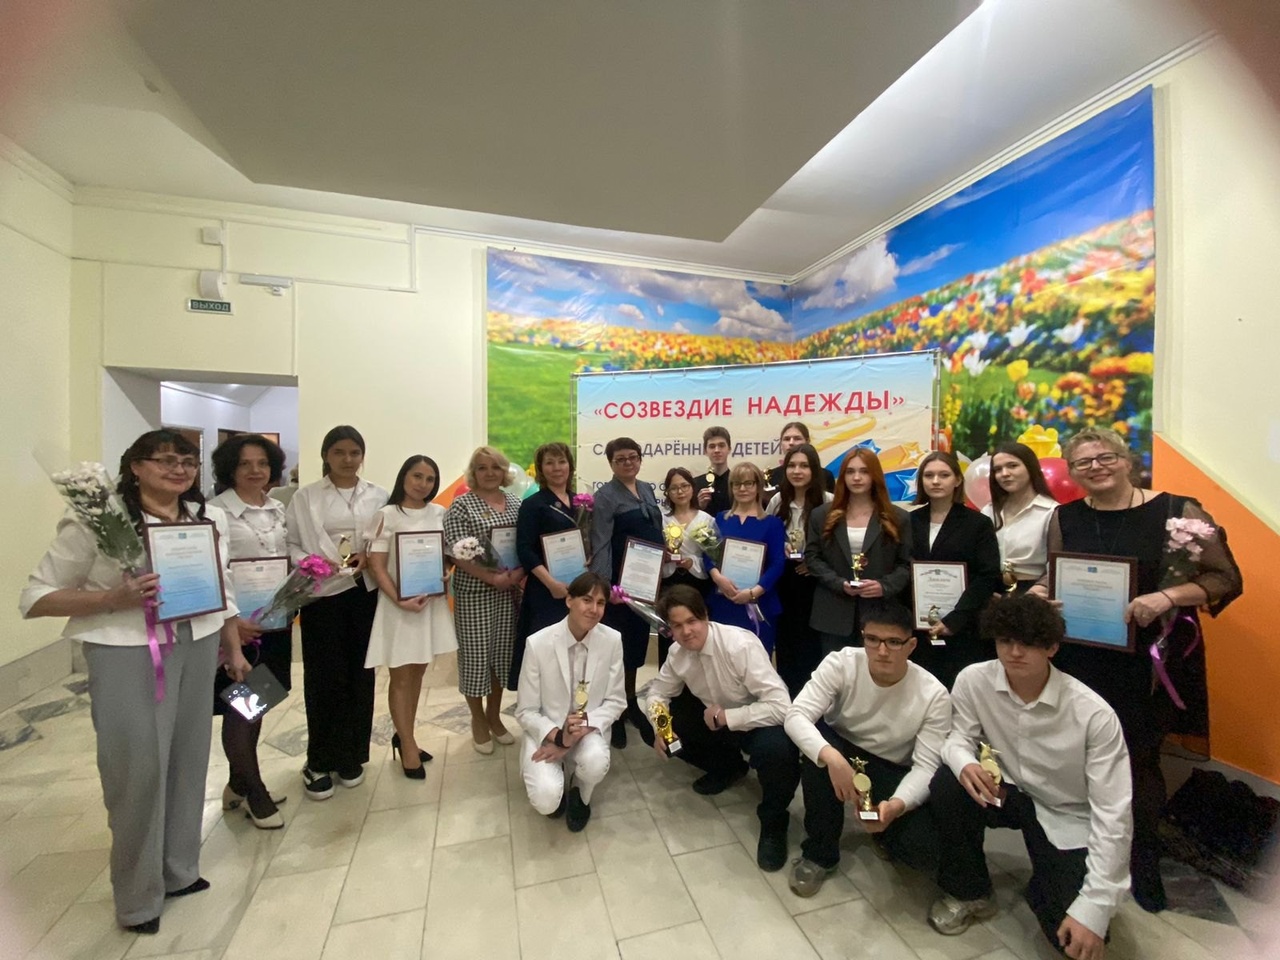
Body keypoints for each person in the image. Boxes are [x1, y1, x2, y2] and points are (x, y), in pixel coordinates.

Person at [20, 430, 250, 935]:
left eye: (187, 461)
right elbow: (35, 597)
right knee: (136, 770)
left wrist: (232, 648)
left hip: (198, 644)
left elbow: (224, 587)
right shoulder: (100, 522)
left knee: (189, 760)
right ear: (135, 467)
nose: (179, 469)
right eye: (165, 460)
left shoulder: (205, 518)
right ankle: (138, 897)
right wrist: (110, 599)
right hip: (128, 652)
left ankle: (179, 870)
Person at [1029, 428, 1242, 912]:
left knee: (1139, 763)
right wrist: (1041, 593)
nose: (1095, 467)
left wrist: (1166, 596)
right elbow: (1053, 571)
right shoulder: (1065, 516)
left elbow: (1225, 577)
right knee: (1083, 756)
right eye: (1083, 463)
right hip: (1081, 656)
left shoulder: (1178, 511)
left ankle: (1143, 862)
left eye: (1105, 457)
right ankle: (1090, 856)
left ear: (1126, 461)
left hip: (1149, 662)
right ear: (1072, 472)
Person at [929, 596, 1132, 960]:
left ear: (1052, 647)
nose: (1014, 652)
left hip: (1065, 813)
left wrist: (1095, 907)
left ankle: (1045, 884)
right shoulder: (974, 680)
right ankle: (969, 890)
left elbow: (1114, 814)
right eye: (1005, 641)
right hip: (1005, 793)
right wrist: (964, 763)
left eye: (1028, 643)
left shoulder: (1094, 715)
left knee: (1073, 940)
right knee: (948, 783)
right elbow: (958, 738)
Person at [784, 601, 950, 896]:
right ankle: (819, 853)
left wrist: (897, 805)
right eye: (872, 639)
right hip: (841, 744)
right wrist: (832, 757)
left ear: (911, 645)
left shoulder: (933, 694)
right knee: (817, 757)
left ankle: (884, 831)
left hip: (890, 763)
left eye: (894, 642)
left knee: (925, 852)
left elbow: (926, 766)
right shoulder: (842, 663)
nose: (882, 651)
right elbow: (796, 715)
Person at [647, 586, 800, 872]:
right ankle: (728, 768)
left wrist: (728, 717)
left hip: (756, 719)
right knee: (658, 733)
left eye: (692, 621)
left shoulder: (739, 645)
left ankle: (774, 822)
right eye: (677, 625)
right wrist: (662, 726)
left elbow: (782, 706)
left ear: (705, 616)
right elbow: (657, 693)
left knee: (779, 752)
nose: (686, 631)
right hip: (713, 718)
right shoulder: (677, 653)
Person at [286, 425, 388, 800]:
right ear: (326, 456)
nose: (348, 459)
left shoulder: (378, 494)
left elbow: (386, 537)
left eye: (354, 453)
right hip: (323, 595)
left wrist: (368, 555)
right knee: (324, 676)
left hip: (363, 591)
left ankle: (351, 756)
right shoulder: (306, 496)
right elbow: (291, 543)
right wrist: (313, 563)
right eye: (339, 452)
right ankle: (318, 760)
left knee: (361, 675)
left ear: (362, 456)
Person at [208, 433, 292, 829]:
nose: (255, 470)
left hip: (272, 621)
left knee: (256, 704)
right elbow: (211, 570)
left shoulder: (277, 508)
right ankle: (255, 792)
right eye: (245, 464)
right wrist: (231, 621)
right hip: (237, 627)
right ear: (230, 469)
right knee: (240, 708)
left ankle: (237, 783)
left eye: (262, 463)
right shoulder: (215, 512)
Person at [365, 455, 458, 778]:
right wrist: (399, 599)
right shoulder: (386, 515)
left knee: (417, 672)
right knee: (401, 677)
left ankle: (406, 735)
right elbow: (376, 565)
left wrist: (445, 572)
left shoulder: (439, 513)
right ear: (404, 477)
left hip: (428, 605)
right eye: (417, 476)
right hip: (399, 607)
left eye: (430, 479)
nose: (423, 484)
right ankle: (406, 744)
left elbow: (446, 556)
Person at [515, 572, 626, 832]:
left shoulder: (612, 640)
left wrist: (573, 736)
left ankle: (580, 790)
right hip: (547, 729)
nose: (594, 609)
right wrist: (558, 737)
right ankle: (556, 793)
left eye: (601, 603)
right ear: (569, 601)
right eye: (587, 600)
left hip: (587, 728)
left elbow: (616, 701)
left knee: (595, 761)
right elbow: (526, 711)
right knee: (546, 800)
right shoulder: (538, 643)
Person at [444, 446, 524, 754]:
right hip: (475, 594)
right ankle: (478, 719)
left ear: (504, 471)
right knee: (475, 658)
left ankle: (494, 716)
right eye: (482, 467)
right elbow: (456, 551)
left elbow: (525, 544)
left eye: (495, 467)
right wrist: (491, 578)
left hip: (509, 593)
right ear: (473, 473)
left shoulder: (516, 503)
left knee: (501, 657)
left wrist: (517, 574)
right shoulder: (461, 505)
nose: (489, 473)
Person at [908, 451, 1003, 689]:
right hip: (918, 625)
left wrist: (956, 619)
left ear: (958, 480)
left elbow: (987, 575)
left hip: (964, 626)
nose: (935, 481)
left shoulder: (978, 523)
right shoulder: (909, 521)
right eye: (929, 475)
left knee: (959, 687)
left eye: (944, 475)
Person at [588, 436, 660, 748]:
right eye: (620, 459)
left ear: (640, 459)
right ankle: (614, 712)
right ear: (611, 464)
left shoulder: (646, 489)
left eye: (633, 457)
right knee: (615, 651)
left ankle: (630, 702)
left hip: (644, 584)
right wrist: (606, 587)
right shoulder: (605, 496)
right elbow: (600, 542)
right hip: (619, 588)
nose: (628, 463)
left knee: (634, 647)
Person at [805, 448, 913, 653]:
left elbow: (906, 564)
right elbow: (812, 558)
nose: (856, 477)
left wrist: (884, 586)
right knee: (837, 671)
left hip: (881, 611)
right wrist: (839, 583)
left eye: (864, 471)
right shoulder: (821, 515)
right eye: (850, 472)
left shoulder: (898, 517)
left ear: (875, 475)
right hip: (833, 611)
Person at [510, 442, 580, 689]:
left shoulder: (581, 502)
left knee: (575, 650)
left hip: (577, 588)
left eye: (561, 461)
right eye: (549, 463)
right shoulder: (533, 504)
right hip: (546, 589)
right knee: (547, 654)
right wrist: (551, 583)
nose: (557, 468)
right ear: (540, 468)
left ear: (570, 466)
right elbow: (525, 550)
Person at [766, 443, 833, 695]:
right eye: (792, 465)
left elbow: (837, 545)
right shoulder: (777, 501)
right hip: (785, 583)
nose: (797, 471)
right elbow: (767, 537)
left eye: (804, 466)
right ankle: (788, 702)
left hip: (816, 584)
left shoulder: (829, 501)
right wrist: (780, 546)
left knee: (812, 649)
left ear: (814, 469)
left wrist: (816, 563)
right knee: (787, 646)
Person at [705, 461, 787, 654]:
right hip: (724, 600)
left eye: (748, 483)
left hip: (759, 604)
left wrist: (753, 593)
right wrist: (718, 577)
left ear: (758, 486)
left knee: (756, 661)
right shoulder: (720, 519)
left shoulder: (772, 523)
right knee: (722, 659)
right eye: (737, 484)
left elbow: (778, 564)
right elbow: (708, 554)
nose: (742, 489)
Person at [982, 442, 1058, 593]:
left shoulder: (1051, 511)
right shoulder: (988, 511)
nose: (1004, 473)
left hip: (1034, 590)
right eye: (998, 469)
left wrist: (1038, 590)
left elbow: (1057, 564)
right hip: (990, 588)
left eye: (1012, 466)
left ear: (1030, 468)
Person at [658, 466, 713, 664]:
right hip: (669, 583)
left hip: (697, 583)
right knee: (670, 635)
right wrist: (663, 556)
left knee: (696, 634)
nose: (680, 492)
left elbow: (713, 557)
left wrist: (691, 562)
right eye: (674, 488)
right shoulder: (661, 519)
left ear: (692, 488)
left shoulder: (706, 520)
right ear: (667, 492)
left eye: (684, 486)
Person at [765, 421, 835, 495]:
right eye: (787, 439)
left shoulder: (825, 476)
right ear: (781, 443)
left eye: (797, 438)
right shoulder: (772, 476)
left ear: (807, 441)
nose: (791, 443)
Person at [692, 425, 732, 515]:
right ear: (705, 451)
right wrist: (698, 507)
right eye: (712, 446)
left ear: (729, 449)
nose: (717, 450)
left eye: (721, 445)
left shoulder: (739, 483)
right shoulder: (695, 485)